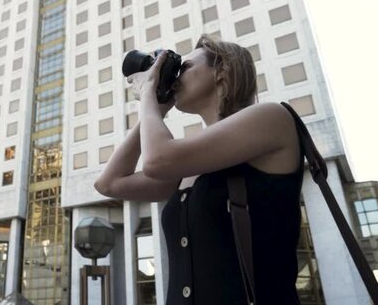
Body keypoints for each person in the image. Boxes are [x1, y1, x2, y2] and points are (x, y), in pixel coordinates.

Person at [94, 34, 303, 304]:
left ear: (221, 70)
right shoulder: (189, 164)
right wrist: (157, 104)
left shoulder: (272, 118)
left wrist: (147, 92)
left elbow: (157, 160)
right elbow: (109, 183)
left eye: (186, 67)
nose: (176, 76)